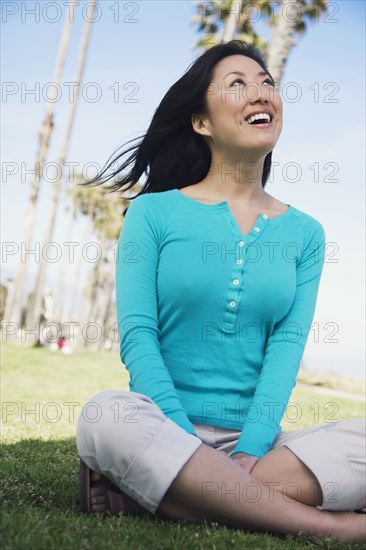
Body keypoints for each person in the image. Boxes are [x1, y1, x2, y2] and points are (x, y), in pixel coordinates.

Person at [76, 40, 365, 542]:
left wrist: (249, 451)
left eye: (267, 84)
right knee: (105, 414)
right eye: (238, 84)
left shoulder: (306, 233)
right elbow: (138, 337)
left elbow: (286, 348)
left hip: (258, 447)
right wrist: (183, 442)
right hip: (160, 428)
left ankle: (164, 493)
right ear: (201, 122)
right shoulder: (153, 213)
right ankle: (325, 525)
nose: (261, 94)